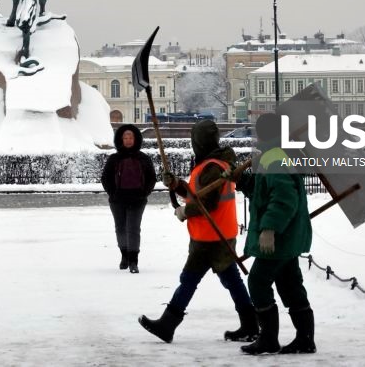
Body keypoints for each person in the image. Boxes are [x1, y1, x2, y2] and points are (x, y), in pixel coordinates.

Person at [138, 120, 258, 343]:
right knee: (230, 280)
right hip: (219, 233)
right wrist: (177, 184)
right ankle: (250, 324)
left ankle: (167, 324)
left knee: (190, 279)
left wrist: (185, 211)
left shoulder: (212, 167)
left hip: (210, 236)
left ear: (199, 142)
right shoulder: (216, 163)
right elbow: (197, 194)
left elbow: (208, 203)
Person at [232, 113, 315, 355]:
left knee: (258, 282)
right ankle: (305, 339)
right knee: (290, 285)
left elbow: (284, 199)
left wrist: (269, 228)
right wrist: (241, 181)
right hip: (286, 238)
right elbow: (263, 192)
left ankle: (269, 339)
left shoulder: (275, 158)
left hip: (279, 239)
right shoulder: (274, 155)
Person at [101, 124, 157, 273]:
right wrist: (113, 193)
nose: (128, 140)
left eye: (130, 137)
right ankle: (124, 255)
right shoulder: (114, 158)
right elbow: (105, 178)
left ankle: (133, 260)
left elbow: (151, 178)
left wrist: (144, 193)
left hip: (137, 200)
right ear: (120, 139)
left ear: (135, 139)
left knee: (133, 229)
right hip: (117, 200)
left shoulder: (143, 158)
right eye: (125, 137)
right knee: (120, 228)